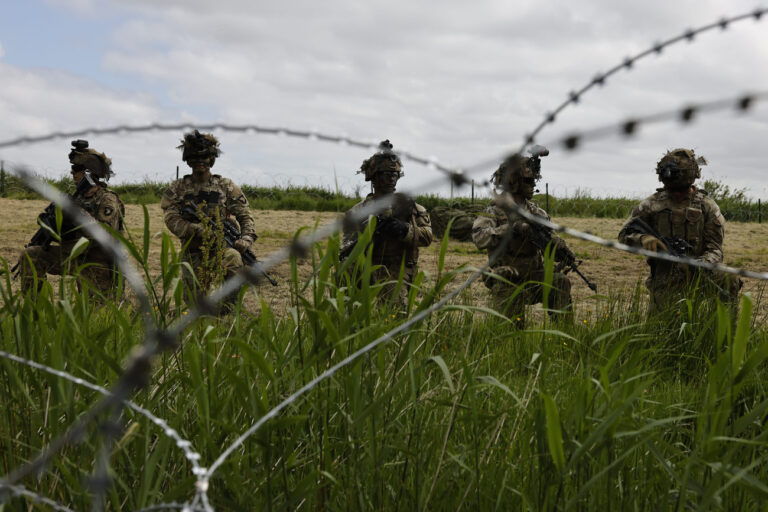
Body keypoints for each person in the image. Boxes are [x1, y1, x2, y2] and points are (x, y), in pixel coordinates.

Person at [618, 148, 740, 314]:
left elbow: (715, 249)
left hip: (701, 274)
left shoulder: (706, 206)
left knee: (729, 279)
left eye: (680, 192)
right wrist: (643, 238)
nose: (675, 195)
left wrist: (697, 265)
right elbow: (624, 234)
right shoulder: (650, 205)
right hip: (664, 277)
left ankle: (725, 333)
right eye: (671, 191)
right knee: (659, 332)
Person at [472, 149, 575, 326]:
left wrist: (561, 249)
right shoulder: (495, 211)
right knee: (510, 332)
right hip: (506, 278)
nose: (533, 185)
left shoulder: (538, 213)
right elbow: (480, 239)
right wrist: (512, 229)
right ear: (514, 182)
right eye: (528, 181)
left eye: (534, 181)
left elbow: (550, 239)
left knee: (561, 282)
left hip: (534, 276)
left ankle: (564, 337)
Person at [161, 130, 257, 311]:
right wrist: (197, 229)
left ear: (211, 159)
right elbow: (171, 219)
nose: (200, 162)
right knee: (194, 305)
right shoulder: (178, 188)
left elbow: (245, 215)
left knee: (234, 259)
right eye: (195, 158)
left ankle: (228, 310)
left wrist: (246, 238)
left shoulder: (225, 186)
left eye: (204, 157)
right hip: (193, 250)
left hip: (223, 247)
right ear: (188, 160)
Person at [16, 140, 125, 296]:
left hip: (97, 261)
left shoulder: (107, 200)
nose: (72, 173)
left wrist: (76, 213)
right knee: (31, 255)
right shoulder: (77, 198)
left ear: (89, 173)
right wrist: (52, 223)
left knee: (95, 315)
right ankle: (34, 311)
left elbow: (105, 235)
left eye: (76, 170)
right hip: (74, 255)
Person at [340, 140, 432, 309]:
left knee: (395, 321)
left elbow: (427, 237)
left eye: (395, 174)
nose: (391, 178)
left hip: (398, 274)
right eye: (385, 174)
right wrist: (368, 236)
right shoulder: (358, 212)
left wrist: (404, 230)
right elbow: (345, 250)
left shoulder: (411, 208)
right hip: (365, 273)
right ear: (374, 177)